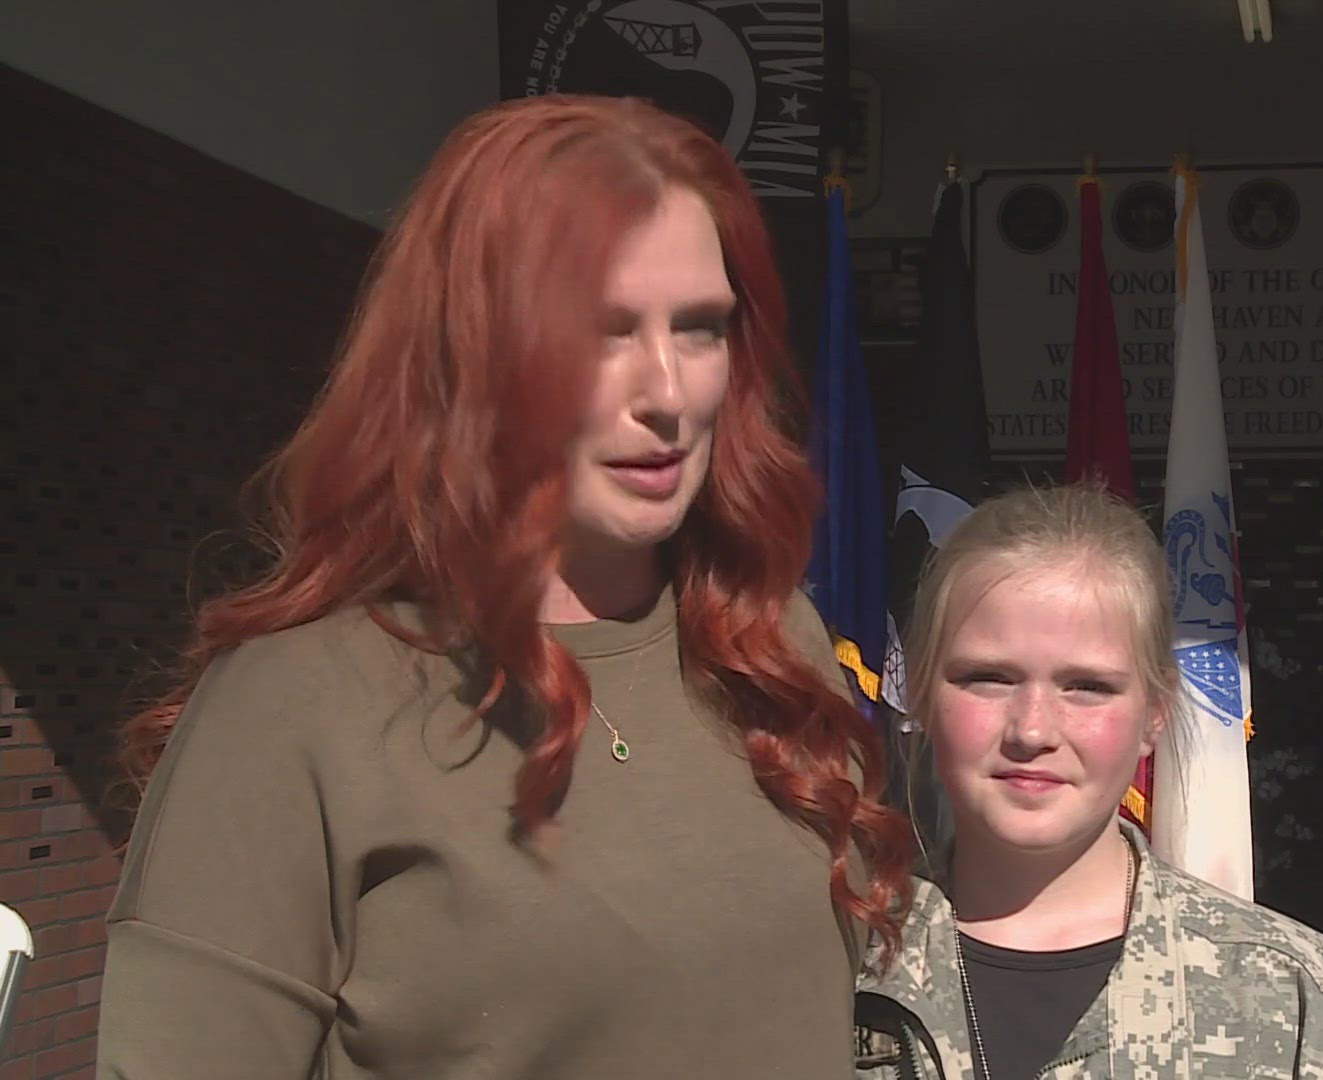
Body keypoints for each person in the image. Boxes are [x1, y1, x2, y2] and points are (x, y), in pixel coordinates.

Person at [97, 95, 912, 1078]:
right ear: (471, 351)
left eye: (700, 328)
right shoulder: (294, 707)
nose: (665, 390)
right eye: (602, 329)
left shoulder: (770, 640)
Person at [855, 483, 1323, 1079]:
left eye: (1088, 686)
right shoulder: (834, 964)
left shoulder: (1288, 996)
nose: (1032, 731)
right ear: (922, 693)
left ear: (1155, 713)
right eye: (988, 677)